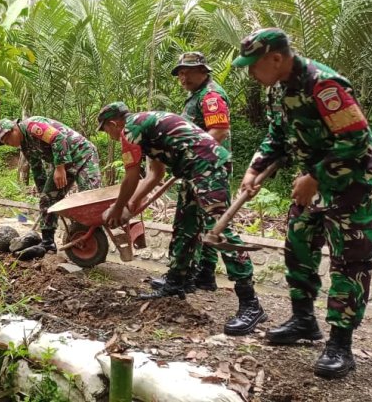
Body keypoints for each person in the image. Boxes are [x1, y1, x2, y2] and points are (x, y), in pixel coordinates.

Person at [232, 28, 372, 379]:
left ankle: (340, 345)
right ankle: (303, 321)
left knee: (350, 262)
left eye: (254, 65)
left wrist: (314, 176)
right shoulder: (278, 89)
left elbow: (355, 140)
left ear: (276, 58)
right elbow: (277, 135)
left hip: (352, 182)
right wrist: (254, 168)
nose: (251, 72)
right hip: (313, 183)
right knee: (298, 246)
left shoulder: (324, 85)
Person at [97, 103, 265, 336]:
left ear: (114, 123)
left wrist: (117, 209)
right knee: (185, 226)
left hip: (206, 166)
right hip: (192, 169)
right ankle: (175, 284)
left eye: (106, 130)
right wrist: (131, 204)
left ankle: (250, 303)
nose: (110, 135)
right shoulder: (144, 127)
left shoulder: (130, 129)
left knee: (219, 229)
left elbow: (131, 177)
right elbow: (156, 174)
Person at [151, 52, 231, 293]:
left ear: (203, 71)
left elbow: (219, 131)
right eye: (180, 74)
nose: (183, 78)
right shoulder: (196, 96)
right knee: (203, 221)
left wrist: (190, 159)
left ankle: (179, 278)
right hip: (200, 167)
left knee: (187, 222)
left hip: (205, 169)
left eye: (187, 72)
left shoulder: (210, 95)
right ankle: (204, 274)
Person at [0, 117, 101, 253]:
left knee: (90, 197)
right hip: (64, 164)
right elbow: (37, 169)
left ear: (13, 130)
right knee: (47, 198)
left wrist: (60, 168)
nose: (9, 144)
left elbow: (58, 138)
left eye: (7, 141)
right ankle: (48, 243)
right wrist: (44, 195)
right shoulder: (25, 146)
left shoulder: (33, 126)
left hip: (83, 154)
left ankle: (94, 237)